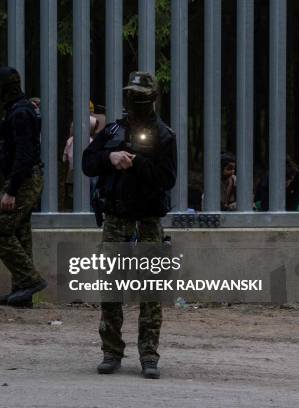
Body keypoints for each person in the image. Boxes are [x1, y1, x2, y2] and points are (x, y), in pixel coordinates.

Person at [82, 71, 177, 379]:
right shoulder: (112, 131)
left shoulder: (164, 136)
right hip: (116, 218)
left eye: (141, 95)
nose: (135, 101)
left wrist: (136, 163)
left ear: (152, 98)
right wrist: (111, 157)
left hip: (148, 220)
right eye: (131, 95)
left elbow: (167, 179)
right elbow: (87, 163)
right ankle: (111, 352)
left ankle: (149, 355)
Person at [0, 66, 47, 308]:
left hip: (23, 180)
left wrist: (12, 190)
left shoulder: (20, 112)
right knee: (20, 232)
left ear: (4, 88)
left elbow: (24, 153)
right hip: (26, 177)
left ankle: (29, 281)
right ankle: (22, 294)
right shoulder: (21, 108)